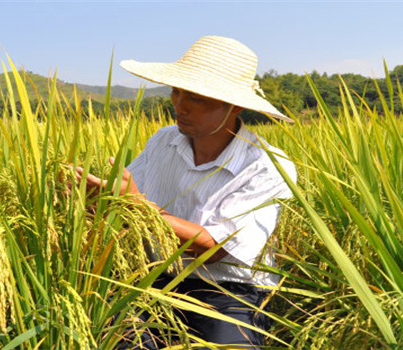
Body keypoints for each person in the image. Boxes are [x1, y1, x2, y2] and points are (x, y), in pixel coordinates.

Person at [77, 35, 297, 349]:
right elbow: (125, 209)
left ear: (233, 105)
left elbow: (218, 247)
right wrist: (98, 199)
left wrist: (138, 206)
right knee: (122, 340)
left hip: (227, 289)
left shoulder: (266, 164)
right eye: (177, 92)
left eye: (195, 97)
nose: (180, 106)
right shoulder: (162, 141)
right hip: (156, 280)